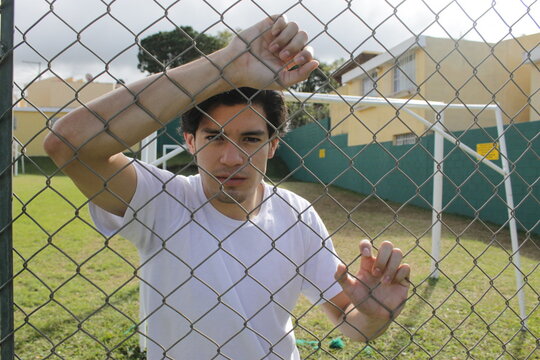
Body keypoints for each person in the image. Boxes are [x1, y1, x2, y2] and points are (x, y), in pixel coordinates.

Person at [44, 15, 411, 360]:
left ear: (272, 145)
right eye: (215, 137)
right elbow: (68, 145)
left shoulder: (297, 213)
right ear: (190, 141)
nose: (233, 158)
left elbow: (348, 316)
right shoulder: (163, 201)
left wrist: (375, 317)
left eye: (250, 139)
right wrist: (225, 66)